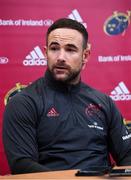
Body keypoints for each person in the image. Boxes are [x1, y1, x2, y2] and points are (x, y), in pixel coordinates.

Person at [3, 18, 131, 175]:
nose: (61, 57)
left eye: (70, 50)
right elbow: (22, 165)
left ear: (85, 56)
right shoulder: (23, 103)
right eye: (54, 48)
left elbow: (127, 156)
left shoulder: (104, 103)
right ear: (45, 53)